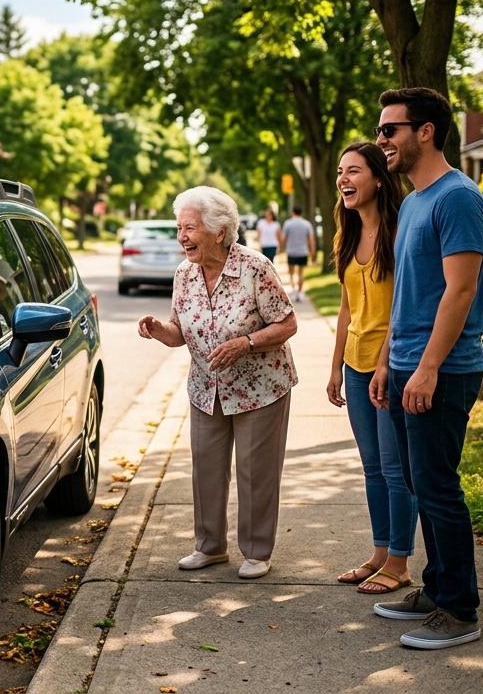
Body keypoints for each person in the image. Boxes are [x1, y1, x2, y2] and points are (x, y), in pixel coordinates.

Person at [369, 87, 483, 651]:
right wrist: (389, 362)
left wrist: (426, 368)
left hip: (440, 372)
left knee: (439, 488)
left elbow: (460, 290)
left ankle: (460, 611)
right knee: (421, 483)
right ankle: (438, 588)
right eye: (378, 130)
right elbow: (410, 294)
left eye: (390, 130)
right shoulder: (414, 200)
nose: (381, 141)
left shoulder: (458, 198)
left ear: (425, 132)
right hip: (406, 365)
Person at [138, 186, 298, 579]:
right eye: (180, 228)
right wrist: (160, 329)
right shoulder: (184, 273)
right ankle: (209, 547)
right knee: (206, 467)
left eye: (190, 228)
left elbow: (287, 323)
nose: (183, 237)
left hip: (261, 386)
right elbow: (180, 331)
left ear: (220, 231)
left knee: (255, 470)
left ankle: (257, 551)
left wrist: (245, 343)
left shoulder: (255, 267)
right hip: (205, 387)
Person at [324, 142, 416, 596]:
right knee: (372, 466)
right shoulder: (345, 236)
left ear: (379, 178)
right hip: (356, 366)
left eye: (354, 170)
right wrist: (336, 366)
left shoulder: (398, 234)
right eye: (341, 171)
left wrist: (383, 365)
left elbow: (402, 308)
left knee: (396, 469)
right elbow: (346, 308)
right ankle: (380, 552)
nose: (343, 178)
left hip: (392, 365)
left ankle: (399, 562)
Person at [280, 205, 316, 300]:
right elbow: (311, 240)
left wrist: (281, 249)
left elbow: (283, 239)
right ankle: (300, 293)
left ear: (293, 212)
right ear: (301, 213)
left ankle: (293, 290)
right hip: (303, 252)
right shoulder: (307, 224)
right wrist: (313, 254)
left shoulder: (288, 224)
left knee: (291, 273)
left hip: (291, 252)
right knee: (301, 273)